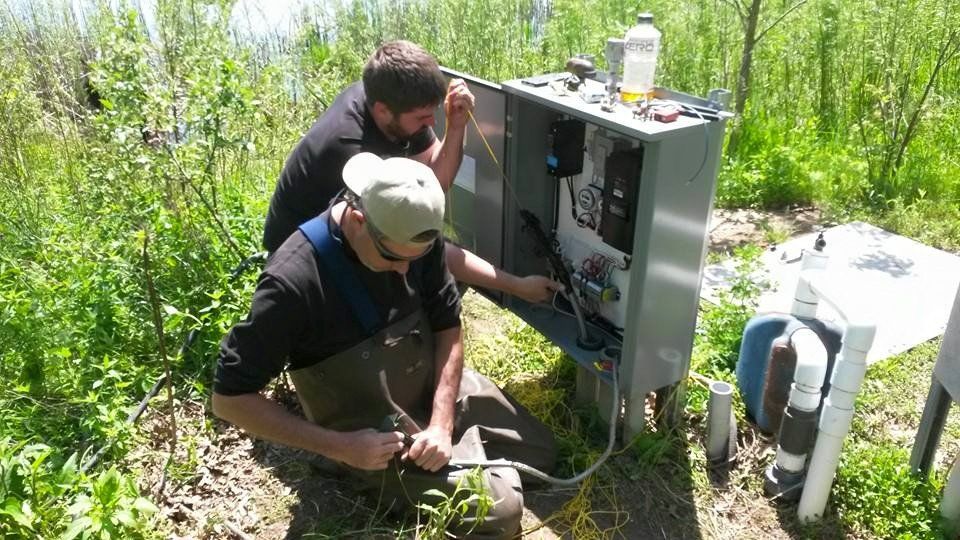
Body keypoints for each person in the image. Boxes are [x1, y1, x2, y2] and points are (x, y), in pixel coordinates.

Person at [214, 153, 557, 538]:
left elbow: (448, 326)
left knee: (544, 453)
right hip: (371, 432)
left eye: (417, 259)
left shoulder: (413, 238)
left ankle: (460, 454)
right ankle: (355, 471)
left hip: (428, 389)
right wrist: (340, 446)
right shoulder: (293, 283)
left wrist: (442, 423)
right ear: (359, 220)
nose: (405, 272)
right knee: (502, 511)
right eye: (393, 258)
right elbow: (229, 399)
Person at [263, 40, 561, 304]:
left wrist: (456, 127)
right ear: (382, 111)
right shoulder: (349, 150)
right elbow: (421, 246)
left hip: (358, 233)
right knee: (419, 268)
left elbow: (434, 182)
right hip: (306, 261)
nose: (431, 123)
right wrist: (517, 286)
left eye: (433, 113)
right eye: (422, 117)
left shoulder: (393, 106)